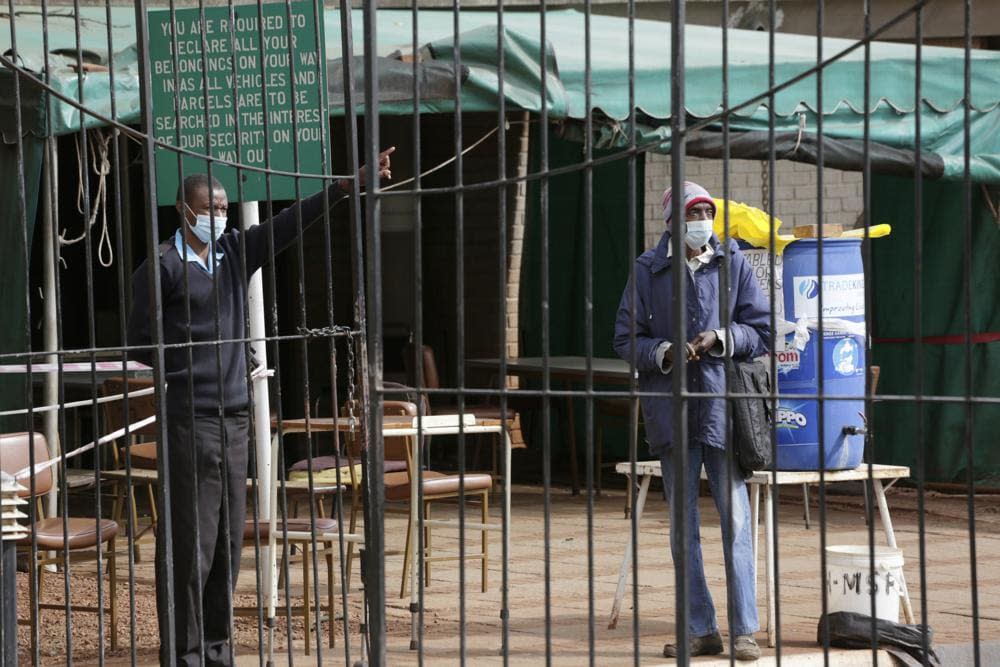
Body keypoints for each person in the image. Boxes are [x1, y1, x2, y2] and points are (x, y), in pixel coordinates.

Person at [127, 148, 393, 666]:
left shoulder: (232, 253)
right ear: (185, 211)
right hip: (190, 419)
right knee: (191, 545)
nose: (220, 216)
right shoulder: (162, 267)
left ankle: (218, 650)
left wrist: (345, 186)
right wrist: (187, 369)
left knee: (228, 543)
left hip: (235, 417)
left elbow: (286, 225)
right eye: (211, 208)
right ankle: (184, 653)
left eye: (225, 208)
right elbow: (140, 344)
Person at [613, 181, 770, 661]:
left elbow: (761, 329)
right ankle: (702, 629)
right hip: (673, 412)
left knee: (737, 521)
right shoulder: (648, 270)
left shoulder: (733, 263)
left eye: (707, 211)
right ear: (672, 221)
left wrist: (720, 338)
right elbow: (625, 337)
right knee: (684, 531)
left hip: (724, 410)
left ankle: (744, 630)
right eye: (693, 211)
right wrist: (661, 352)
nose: (702, 219)